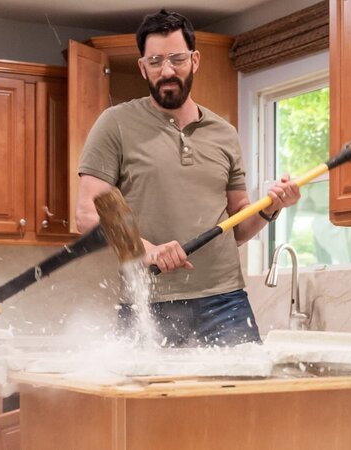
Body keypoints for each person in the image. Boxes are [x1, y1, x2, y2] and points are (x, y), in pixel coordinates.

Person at [75, 10, 301, 348]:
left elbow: (237, 224)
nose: (167, 71)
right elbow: (88, 215)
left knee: (240, 400)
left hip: (226, 302)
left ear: (195, 60)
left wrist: (271, 207)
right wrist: (147, 251)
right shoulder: (115, 124)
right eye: (155, 62)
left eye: (177, 59)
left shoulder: (224, 134)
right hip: (148, 304)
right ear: (142, 67)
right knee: (145, 402)